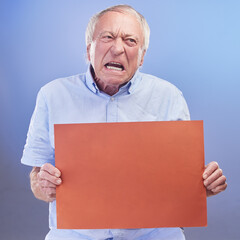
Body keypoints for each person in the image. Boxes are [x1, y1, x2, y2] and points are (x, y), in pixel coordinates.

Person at [21, 4, 227, 240]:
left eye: (130, 41)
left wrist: (203, 187)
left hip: (152, 233)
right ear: (89, 50)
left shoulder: (169, 96)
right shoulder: (53, 95)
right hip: (77, 233)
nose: (118, 48)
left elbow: (181, 184)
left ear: (141, 57)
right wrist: (44, 186)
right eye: (107, 37)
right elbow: (37, 179)